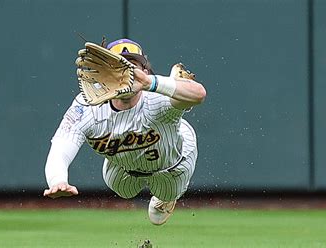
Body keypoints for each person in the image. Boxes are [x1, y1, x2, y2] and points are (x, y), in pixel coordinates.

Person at [43, 38, 206, 225]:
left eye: (132, 67)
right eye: (117, 66)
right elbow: (61, 146)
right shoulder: (87, 105)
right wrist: (57, 179)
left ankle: (166, 200)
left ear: (144, 71)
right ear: (104, 74)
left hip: (172, 162)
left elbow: (199, 94)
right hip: (123, 169)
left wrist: (151, 83)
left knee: (167, 192)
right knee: (123, 190)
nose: (126, 74)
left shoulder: (156, 98)